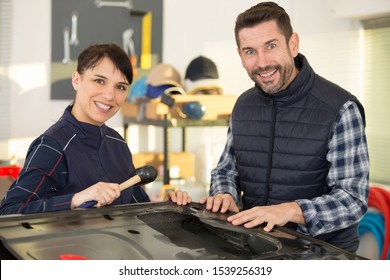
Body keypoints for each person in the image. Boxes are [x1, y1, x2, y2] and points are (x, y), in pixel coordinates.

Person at [199, 2, 369, 253]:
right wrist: (225, 194)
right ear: (240, 55)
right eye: (250, 51)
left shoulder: (340, 108)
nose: (262, 62)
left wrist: (289, 210)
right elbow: (226, 171)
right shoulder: (243, 106)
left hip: (323, 258)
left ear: (293, 44)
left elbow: (352, 199)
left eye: (271, 46)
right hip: (258, 252)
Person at [0, 43, 190, 215]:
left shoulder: (117, 142)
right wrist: (75, 200)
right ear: (76, 80)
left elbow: (135, 206)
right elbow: (8, 212)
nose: (109, 95)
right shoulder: (52, 146)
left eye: (120, 87)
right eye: (99, 81)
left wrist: (166, 206)